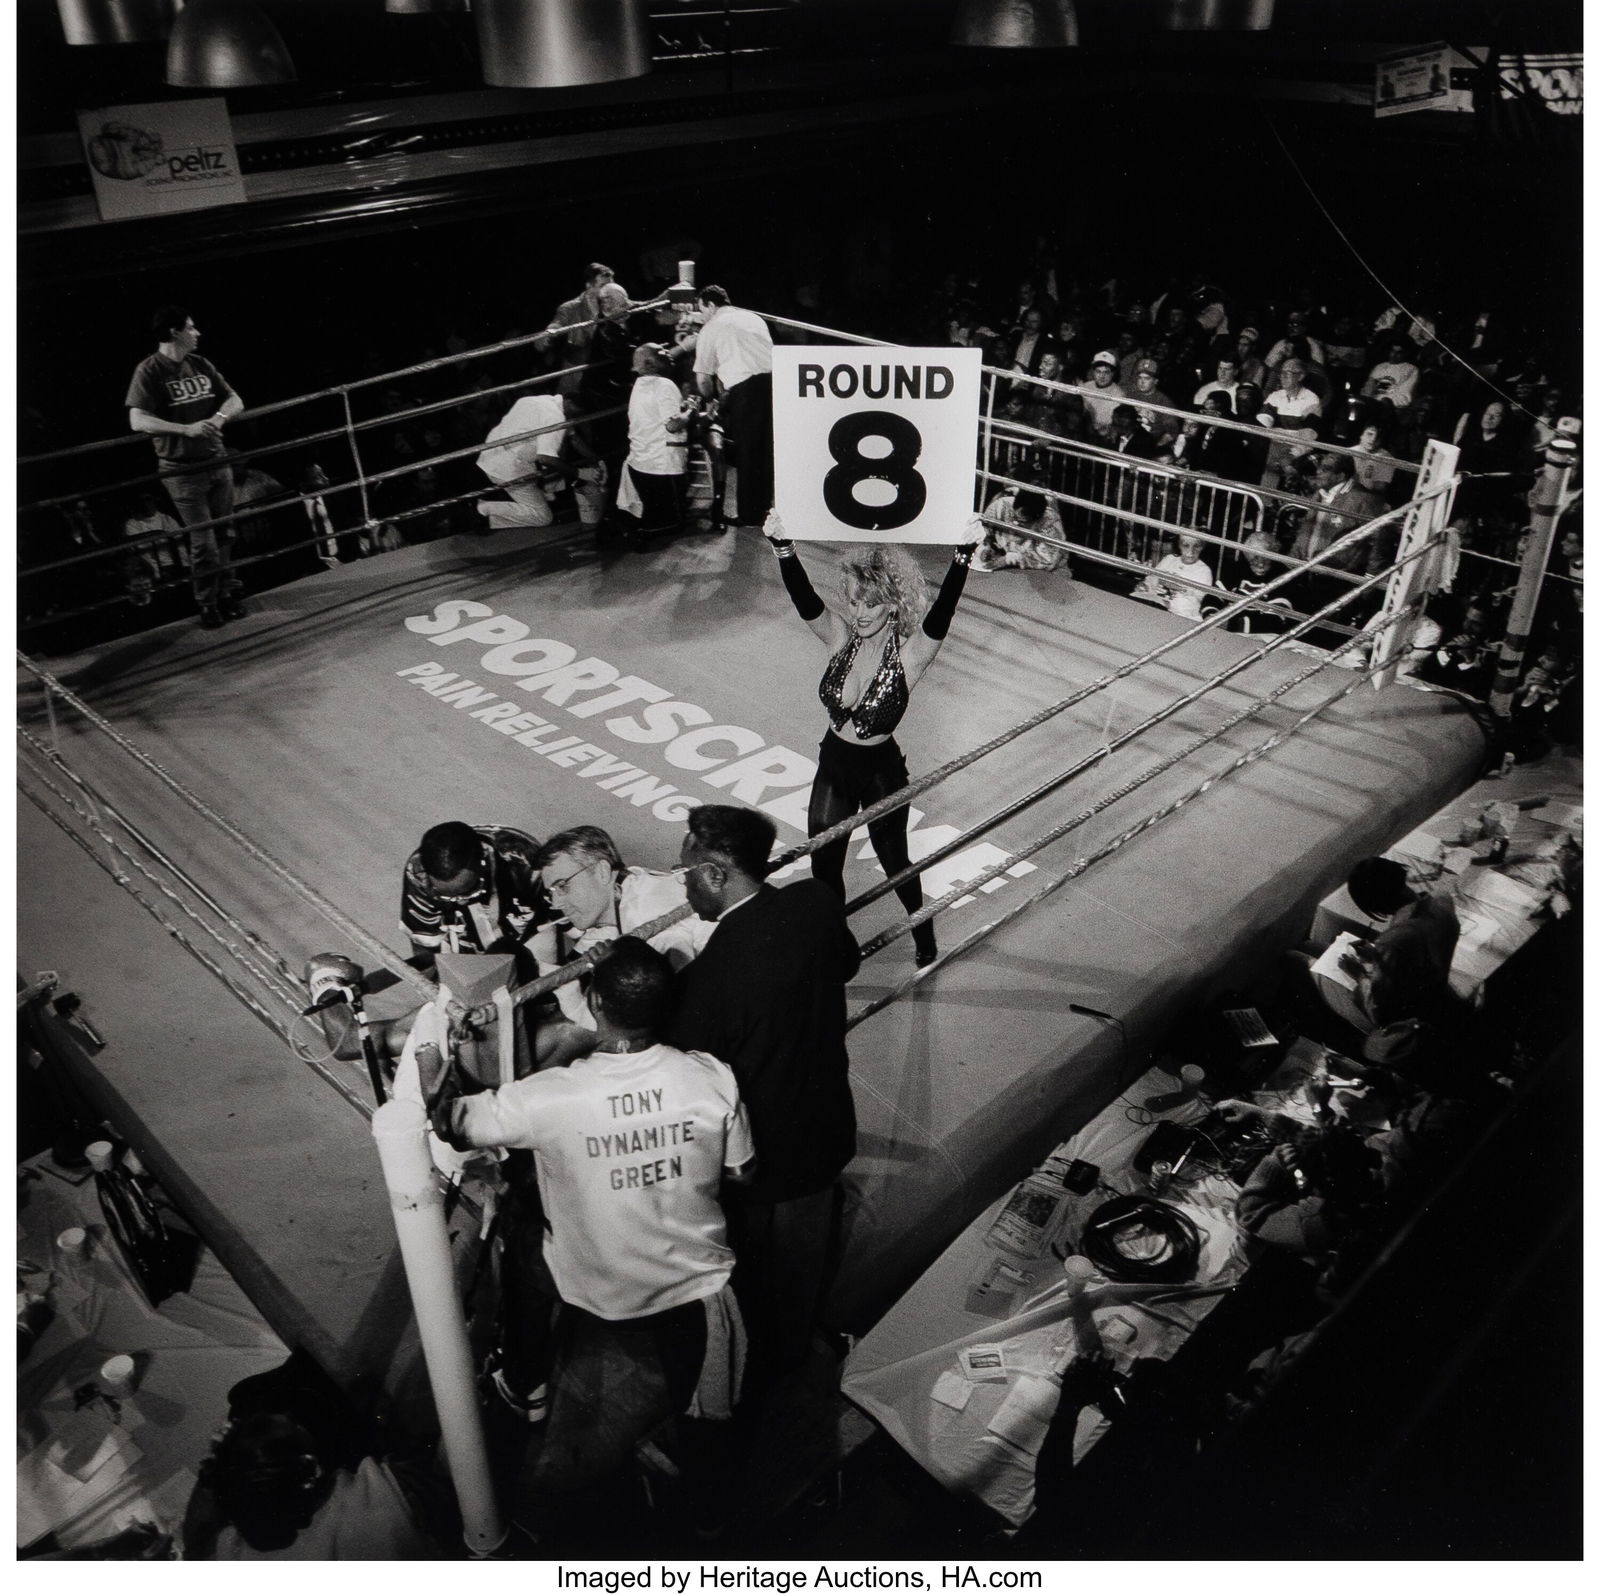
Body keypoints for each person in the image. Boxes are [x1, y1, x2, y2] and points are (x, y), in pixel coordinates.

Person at [435, 938, 754, 1523]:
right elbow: (741, 1169)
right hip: (696, 1282)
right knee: (712, 1427)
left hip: (596, 1286)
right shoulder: (710, 1076)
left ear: (596, 1003)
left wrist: (445, 1052)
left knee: (524, 1231)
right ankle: (711, 1521)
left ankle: (524, 1382)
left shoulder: (549, 1096)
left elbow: (453, 1123)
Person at [666, 806, 860, 1388]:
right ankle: (794, 1355)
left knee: (752, 1277)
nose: (684, 884)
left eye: (687, 872)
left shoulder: (711, 978)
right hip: (824, 1130)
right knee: (803, 1270)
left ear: (717, 873)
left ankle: (755, 1371)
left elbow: (685, 1068)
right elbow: (846, 963)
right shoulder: (815, 903)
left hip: (756, 1162)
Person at [761, 512, 976, 966]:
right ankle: (837, 946)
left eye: (868, 604)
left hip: (880, 773)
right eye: (853, 602)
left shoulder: (912, 657)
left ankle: (922, 928)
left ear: (892, 605)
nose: (857, 613)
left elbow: (943, 612)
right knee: (823, 864)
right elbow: (804, 599)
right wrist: (783, 544)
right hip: (834, 765)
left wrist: (963, 556)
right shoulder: (840, 636)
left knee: (895, 860)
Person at [528, 824, 714, 1039]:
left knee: (564, 1034)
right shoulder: (625, 888)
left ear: (602, 871)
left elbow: (644, 1024)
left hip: (719, 1025)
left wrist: (569, 992)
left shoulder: (646, 912)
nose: (555, 903)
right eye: (551, 893)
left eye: (562, 886)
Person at [126, 304, 246, 629]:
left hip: (216, 459)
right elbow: (137, 420)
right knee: (203, 542)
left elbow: (235, 400)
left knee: (225, 534)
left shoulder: (200, 364)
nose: (197, 333)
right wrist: (185, 429)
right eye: (191, 328)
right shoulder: (149, 370)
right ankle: (207, 603)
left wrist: (218, 419)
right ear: (174, 332)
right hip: (181, 470)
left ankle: (225, 594)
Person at [1311, 855, 1461, 1036]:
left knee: (1299, 959)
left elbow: (1378, 1010)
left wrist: (1359, 974)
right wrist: (1377, 956)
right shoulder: (1442, 900)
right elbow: (1415, 956)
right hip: (1433, 988)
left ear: (1377, 906)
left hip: (1405, 1019)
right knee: (1313, 949)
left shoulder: (1394, 940)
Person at [400, 821, 551, 973]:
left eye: (469, 891)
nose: (462, 901)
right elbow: (424, 938)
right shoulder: (418, 873)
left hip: (528, 940)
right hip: (466, 949)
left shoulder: (523, 859)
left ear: (482, 860)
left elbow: (554, 916)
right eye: (445, 896)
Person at [694, 285, 774, 528]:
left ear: (710, 305)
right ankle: (765, 509)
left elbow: (703, 378)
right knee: (765, 451)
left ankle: (750, 516)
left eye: (702, 310)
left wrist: (710, 401)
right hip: (774, 383)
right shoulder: (753, 317)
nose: (703, 316)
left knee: (748, 454)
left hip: (746, 391)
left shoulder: (712, 327)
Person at [621, 342, 690, 545]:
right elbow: (672, 425)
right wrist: (691, 410)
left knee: (658, 512)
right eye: (662, 352)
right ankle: (643, 533)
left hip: (641, 464)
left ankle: (640, 527)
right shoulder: (664, 385)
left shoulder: (640, 385)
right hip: (662, 466)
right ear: (650, 363)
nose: (668, 353)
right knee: (676, 523)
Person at [535, 262, 616, 396]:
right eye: (603, 286)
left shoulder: (615, 301)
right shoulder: (570, 307)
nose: (609, 291)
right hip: (577, 371)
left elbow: (638, 306)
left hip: (606, 366)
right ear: (589, 286)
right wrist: (548, 334)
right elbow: (557, 324)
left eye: (611, 286)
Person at [973, 485, 1068, 572]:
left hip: (1045, 574)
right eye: (1014, 517)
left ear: (1037, 518)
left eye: (1022, 522)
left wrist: (1012, 559)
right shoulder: (1000, 506)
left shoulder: (1051, 524)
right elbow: (982, 531)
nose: (1015, 523)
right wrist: (985, 547)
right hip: (1000, 564)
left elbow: (1048, 562)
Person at [1134, 531, 1214, 622]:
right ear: (1179, 545)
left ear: (1202, 547)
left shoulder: (1204, 571)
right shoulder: (1169, 559)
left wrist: (1169, 604)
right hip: (1153, 607)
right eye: (1186, 545)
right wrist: (1143, 586)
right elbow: (1150, 581)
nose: (1191, 551)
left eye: (1196, 546)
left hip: (1180, 616)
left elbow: (1197, 603)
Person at [1080, 351, 1126, 439]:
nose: (1102, 376)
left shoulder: (1119, 395)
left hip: (1102, 437)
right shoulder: (1085, 386)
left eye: (1106, 372)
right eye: (1098, 371)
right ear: (1093, 372)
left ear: (1113, 373)